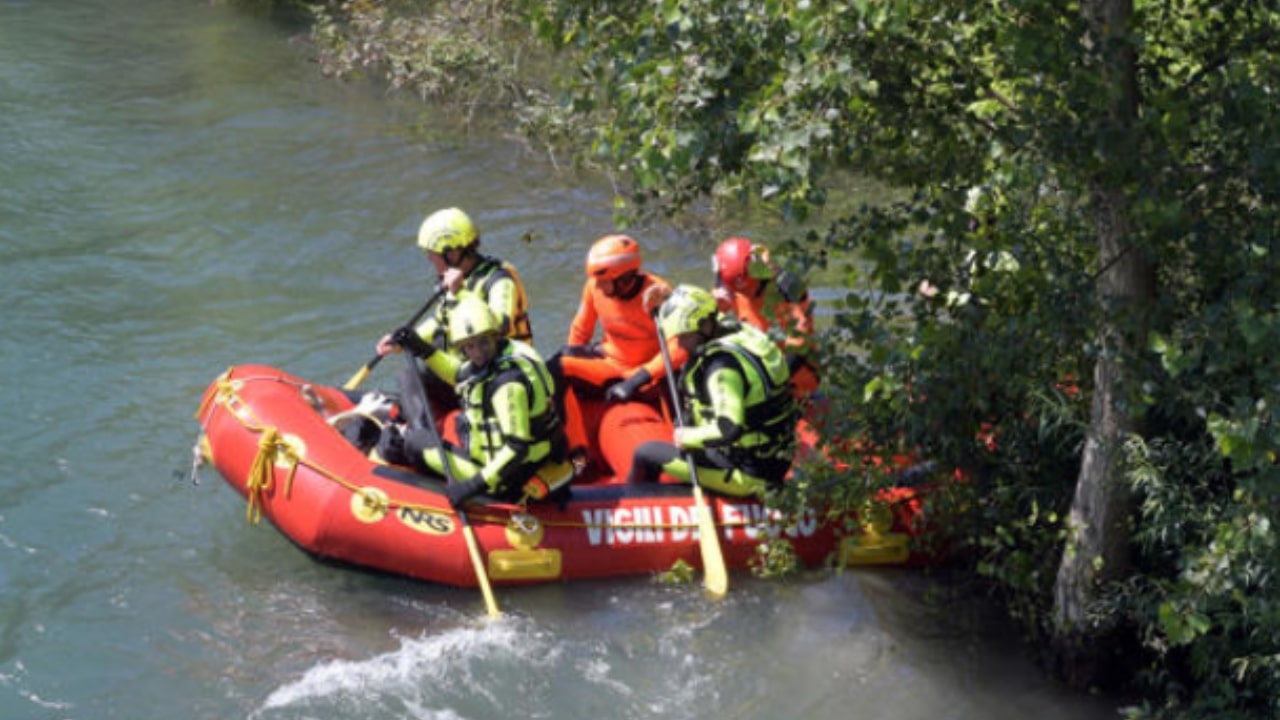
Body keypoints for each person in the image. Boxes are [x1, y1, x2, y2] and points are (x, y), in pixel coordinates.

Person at [386, 295, 568, 507]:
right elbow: (459, 373)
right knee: (460, 424)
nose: (478, 352)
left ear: (494, 336)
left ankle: (449, 501)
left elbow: (517, 448)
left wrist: (472, 486)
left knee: (415, 443)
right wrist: (420, 347)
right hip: (533, 459)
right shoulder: (507, 353)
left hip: (507, 478)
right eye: (470, 347)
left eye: (483, 342)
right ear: (462, 348)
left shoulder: (507, 385)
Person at [625, 285, 799, 498]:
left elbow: (729, 429)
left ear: (704, 327)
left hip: (748, 474)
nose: (680, 343)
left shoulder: (721, 369)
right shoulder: (736, 330)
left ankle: (634, 511)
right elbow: (697, 307)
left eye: (685, 336)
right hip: (773, 458)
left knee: (646, 454)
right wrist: (666, 300)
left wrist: (687, 436)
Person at [376, 207, 533, 413]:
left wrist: (460, 292)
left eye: (433, 254)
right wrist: (405, 341)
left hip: (496, 375)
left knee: (412, 379)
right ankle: (412, 425)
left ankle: (425, 438)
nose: (430, 259)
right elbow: (441, 322)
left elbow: (499, 327)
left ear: (452, 252)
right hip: (462, 370)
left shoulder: (499, 281)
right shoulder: (452, 279)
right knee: (410, 378)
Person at [551, 234, 686, 405]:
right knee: (559, 361)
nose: (598, 285)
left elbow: (679, 347)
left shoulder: (657, 294)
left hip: (648, 374)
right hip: (610, 364)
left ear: (624, 279)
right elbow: (580, 330)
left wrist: (637, 380)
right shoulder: (594, 287)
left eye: (604, 281)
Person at [711, 237, 819, 398]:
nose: (728, 292)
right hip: (760, 363)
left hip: (796, 377)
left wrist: (771, 385)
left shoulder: (782, 291)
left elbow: (799, 346)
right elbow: (710, 314)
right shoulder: (732, 283)